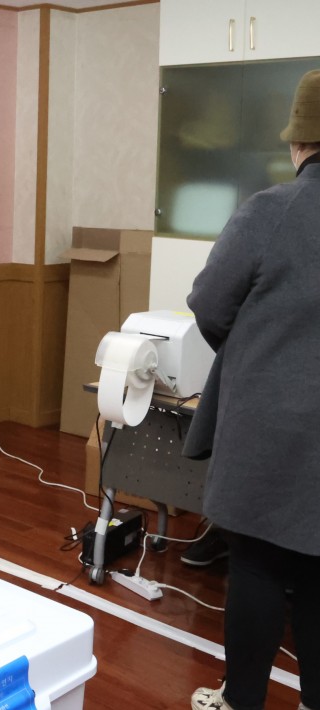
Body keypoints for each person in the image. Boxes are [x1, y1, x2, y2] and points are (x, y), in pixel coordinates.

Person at [185, 69, 320, 710]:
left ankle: (241, 701)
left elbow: (210, 306)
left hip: (268, 433)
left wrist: (261, 364)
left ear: (301, 144)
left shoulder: (271, 210)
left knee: (259, 567)